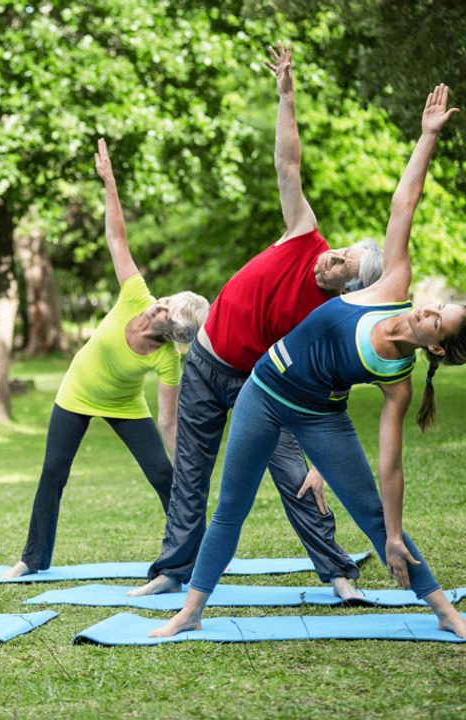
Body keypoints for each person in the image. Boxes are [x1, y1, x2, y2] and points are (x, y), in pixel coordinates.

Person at [150, 84, 466, 640]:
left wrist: (394, 534)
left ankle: (444, 610)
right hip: (263, 390)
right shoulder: (392, 285)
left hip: (320, 416)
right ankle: (190, 611)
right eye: (438, 306)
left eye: (438, 321)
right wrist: (426, 137)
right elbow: (405, 202)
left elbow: (390, 467)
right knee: (231, 507)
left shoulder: (397, 381)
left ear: (436, 347)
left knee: (372, 515)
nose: (429, 310)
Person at [130, 43, 383, 599]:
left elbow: (331, 394)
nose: (332, 259)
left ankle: (338, 572)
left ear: (351, 288)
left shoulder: (331, 317)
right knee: (191, 472)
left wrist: (321, 460)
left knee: (295, 475)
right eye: (341, 252)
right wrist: (286, 96)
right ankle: (172, 572)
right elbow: (287, 164)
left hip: (263, 386)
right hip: (204, 362)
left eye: (343, 267)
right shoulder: (304, 233)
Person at [1, 139, 209, 579]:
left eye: (165, 311)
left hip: (124, 405)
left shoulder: (167, 359)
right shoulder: (136, 294)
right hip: (76, 392)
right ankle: (32, 559)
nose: (157, 306)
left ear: (173, 331)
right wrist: (109, 183)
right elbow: (116, 238)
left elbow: (169, 422)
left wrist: (185, 467)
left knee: (164, 476)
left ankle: (195, 551)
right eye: (163, 301)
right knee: (53, 473)